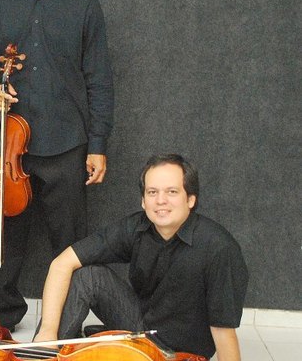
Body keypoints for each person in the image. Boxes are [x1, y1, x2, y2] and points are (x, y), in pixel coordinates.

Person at [0, 0, 114, 330]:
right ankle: (3, 316)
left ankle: (64, 325)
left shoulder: (85, 8)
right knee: (5, 239)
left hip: (65, 142)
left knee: (68, 242)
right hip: (7, 144)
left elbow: (99, 81)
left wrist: (98, 145)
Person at [34, 154, 248, 360]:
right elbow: (62, 263)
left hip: (182, 354)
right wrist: (47, 334)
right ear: (143, 201)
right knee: (88, 275)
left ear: (191, 199)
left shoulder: (219, 248)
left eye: (172, 192)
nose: (161, 201)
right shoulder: (136, 228)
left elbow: (223, 331)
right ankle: (45, 357)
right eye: (152, 192)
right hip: (143, 330)